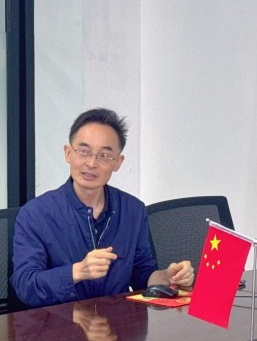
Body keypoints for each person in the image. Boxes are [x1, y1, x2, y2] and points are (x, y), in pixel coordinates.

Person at [11, 107, 194, 307]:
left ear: (118, 162)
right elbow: (25, 285)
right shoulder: (35, 214)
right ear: (68, 153)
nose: (91, 163)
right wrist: (77, 272)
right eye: (84, 151)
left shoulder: (132, 210)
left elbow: (141, 274)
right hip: (57, 321)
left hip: (117, 321)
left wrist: (166, 277)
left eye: (104, 155)